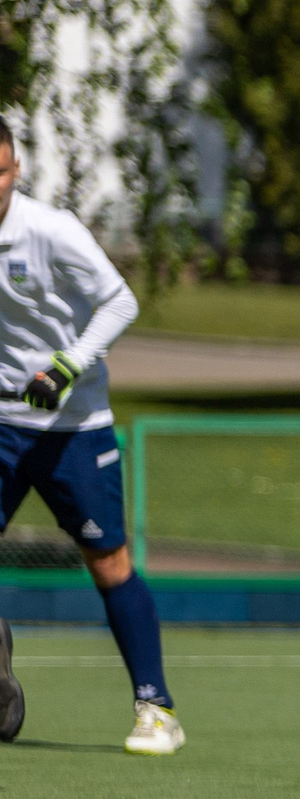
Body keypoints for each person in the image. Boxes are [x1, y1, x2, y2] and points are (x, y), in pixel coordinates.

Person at [0, 121, 178, 753]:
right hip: (0, 424)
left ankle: (156, 708)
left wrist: (68, 365)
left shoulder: (51, 231)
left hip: (73, 426)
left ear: (15, 171)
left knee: (108, 563)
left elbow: (121, 302)